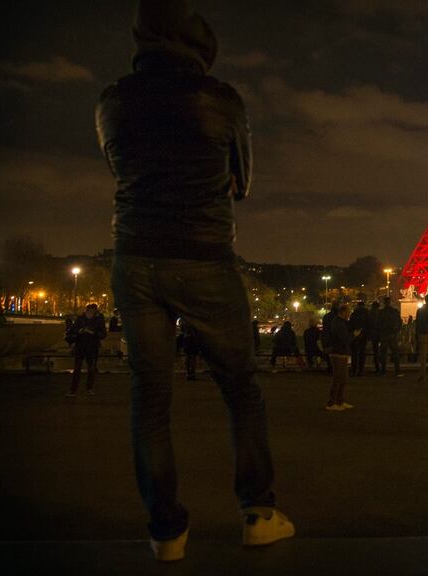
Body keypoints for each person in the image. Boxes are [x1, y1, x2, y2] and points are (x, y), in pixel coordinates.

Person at [96, 0, 293, 560]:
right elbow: (243, 182)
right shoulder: (221, 101)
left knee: (150, 399)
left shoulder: (111, 102)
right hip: (205, 256)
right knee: (240, 389)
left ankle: (166, 533)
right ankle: (257, 511)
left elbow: (121, 170)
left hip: (135, 259)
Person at [65, 303, 107, 396]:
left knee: (90, 369)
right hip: (82, 346)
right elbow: (72, 331)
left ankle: (87, 388)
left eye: (92, 312)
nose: (90, 313)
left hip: (90, 347)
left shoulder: (95, 320)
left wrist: (91, 332)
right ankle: (76, 390)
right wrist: (79, 331)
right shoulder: (83, 320)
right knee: (78, 369)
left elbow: (103, 334)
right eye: (89, 311)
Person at [326, 304, 353, 411]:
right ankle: (331, 403)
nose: (349, 314)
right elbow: (344, 339)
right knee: (338, 378)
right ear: (343, 312)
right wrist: (354, 335)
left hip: (340, 352)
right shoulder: (338, 323)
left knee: (343, 378)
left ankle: (339, 401)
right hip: (338, 352)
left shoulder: (338, 322)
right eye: (348, 312)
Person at [377, 296, 403, 376]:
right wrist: (397, 331)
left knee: (383, 353)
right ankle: (397, 370)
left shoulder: (381, 312)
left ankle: (383, 370)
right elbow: (399, 323)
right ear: (390, 302)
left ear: (384, 303)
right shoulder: (395, 312)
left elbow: (378, 324)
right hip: (393, 334)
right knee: (395, 353)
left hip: (384, 334)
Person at [348, 301, 370, 376]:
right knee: (362, 353)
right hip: (363, 336)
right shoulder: (367, 314)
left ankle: (354, 370)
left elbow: (350, 325)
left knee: (354, 354)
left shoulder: (353, 314)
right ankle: (361, 370)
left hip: (355, 336)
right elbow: (369, 325)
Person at [320, 302, 339, 374]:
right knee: (337, 355)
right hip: (335, 338)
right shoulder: (338, 317)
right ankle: (335, 370)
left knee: (329, 355)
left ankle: (330, 369)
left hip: (327, 338)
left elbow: (325, 328)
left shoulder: (326, 316)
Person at [368, 301, 382, 373]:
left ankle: (377, 367)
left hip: (373, 334)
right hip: (380, 334)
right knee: (381, 351)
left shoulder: (369, 313)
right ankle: (380, 367)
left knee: (375, 351)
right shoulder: (380, 313)